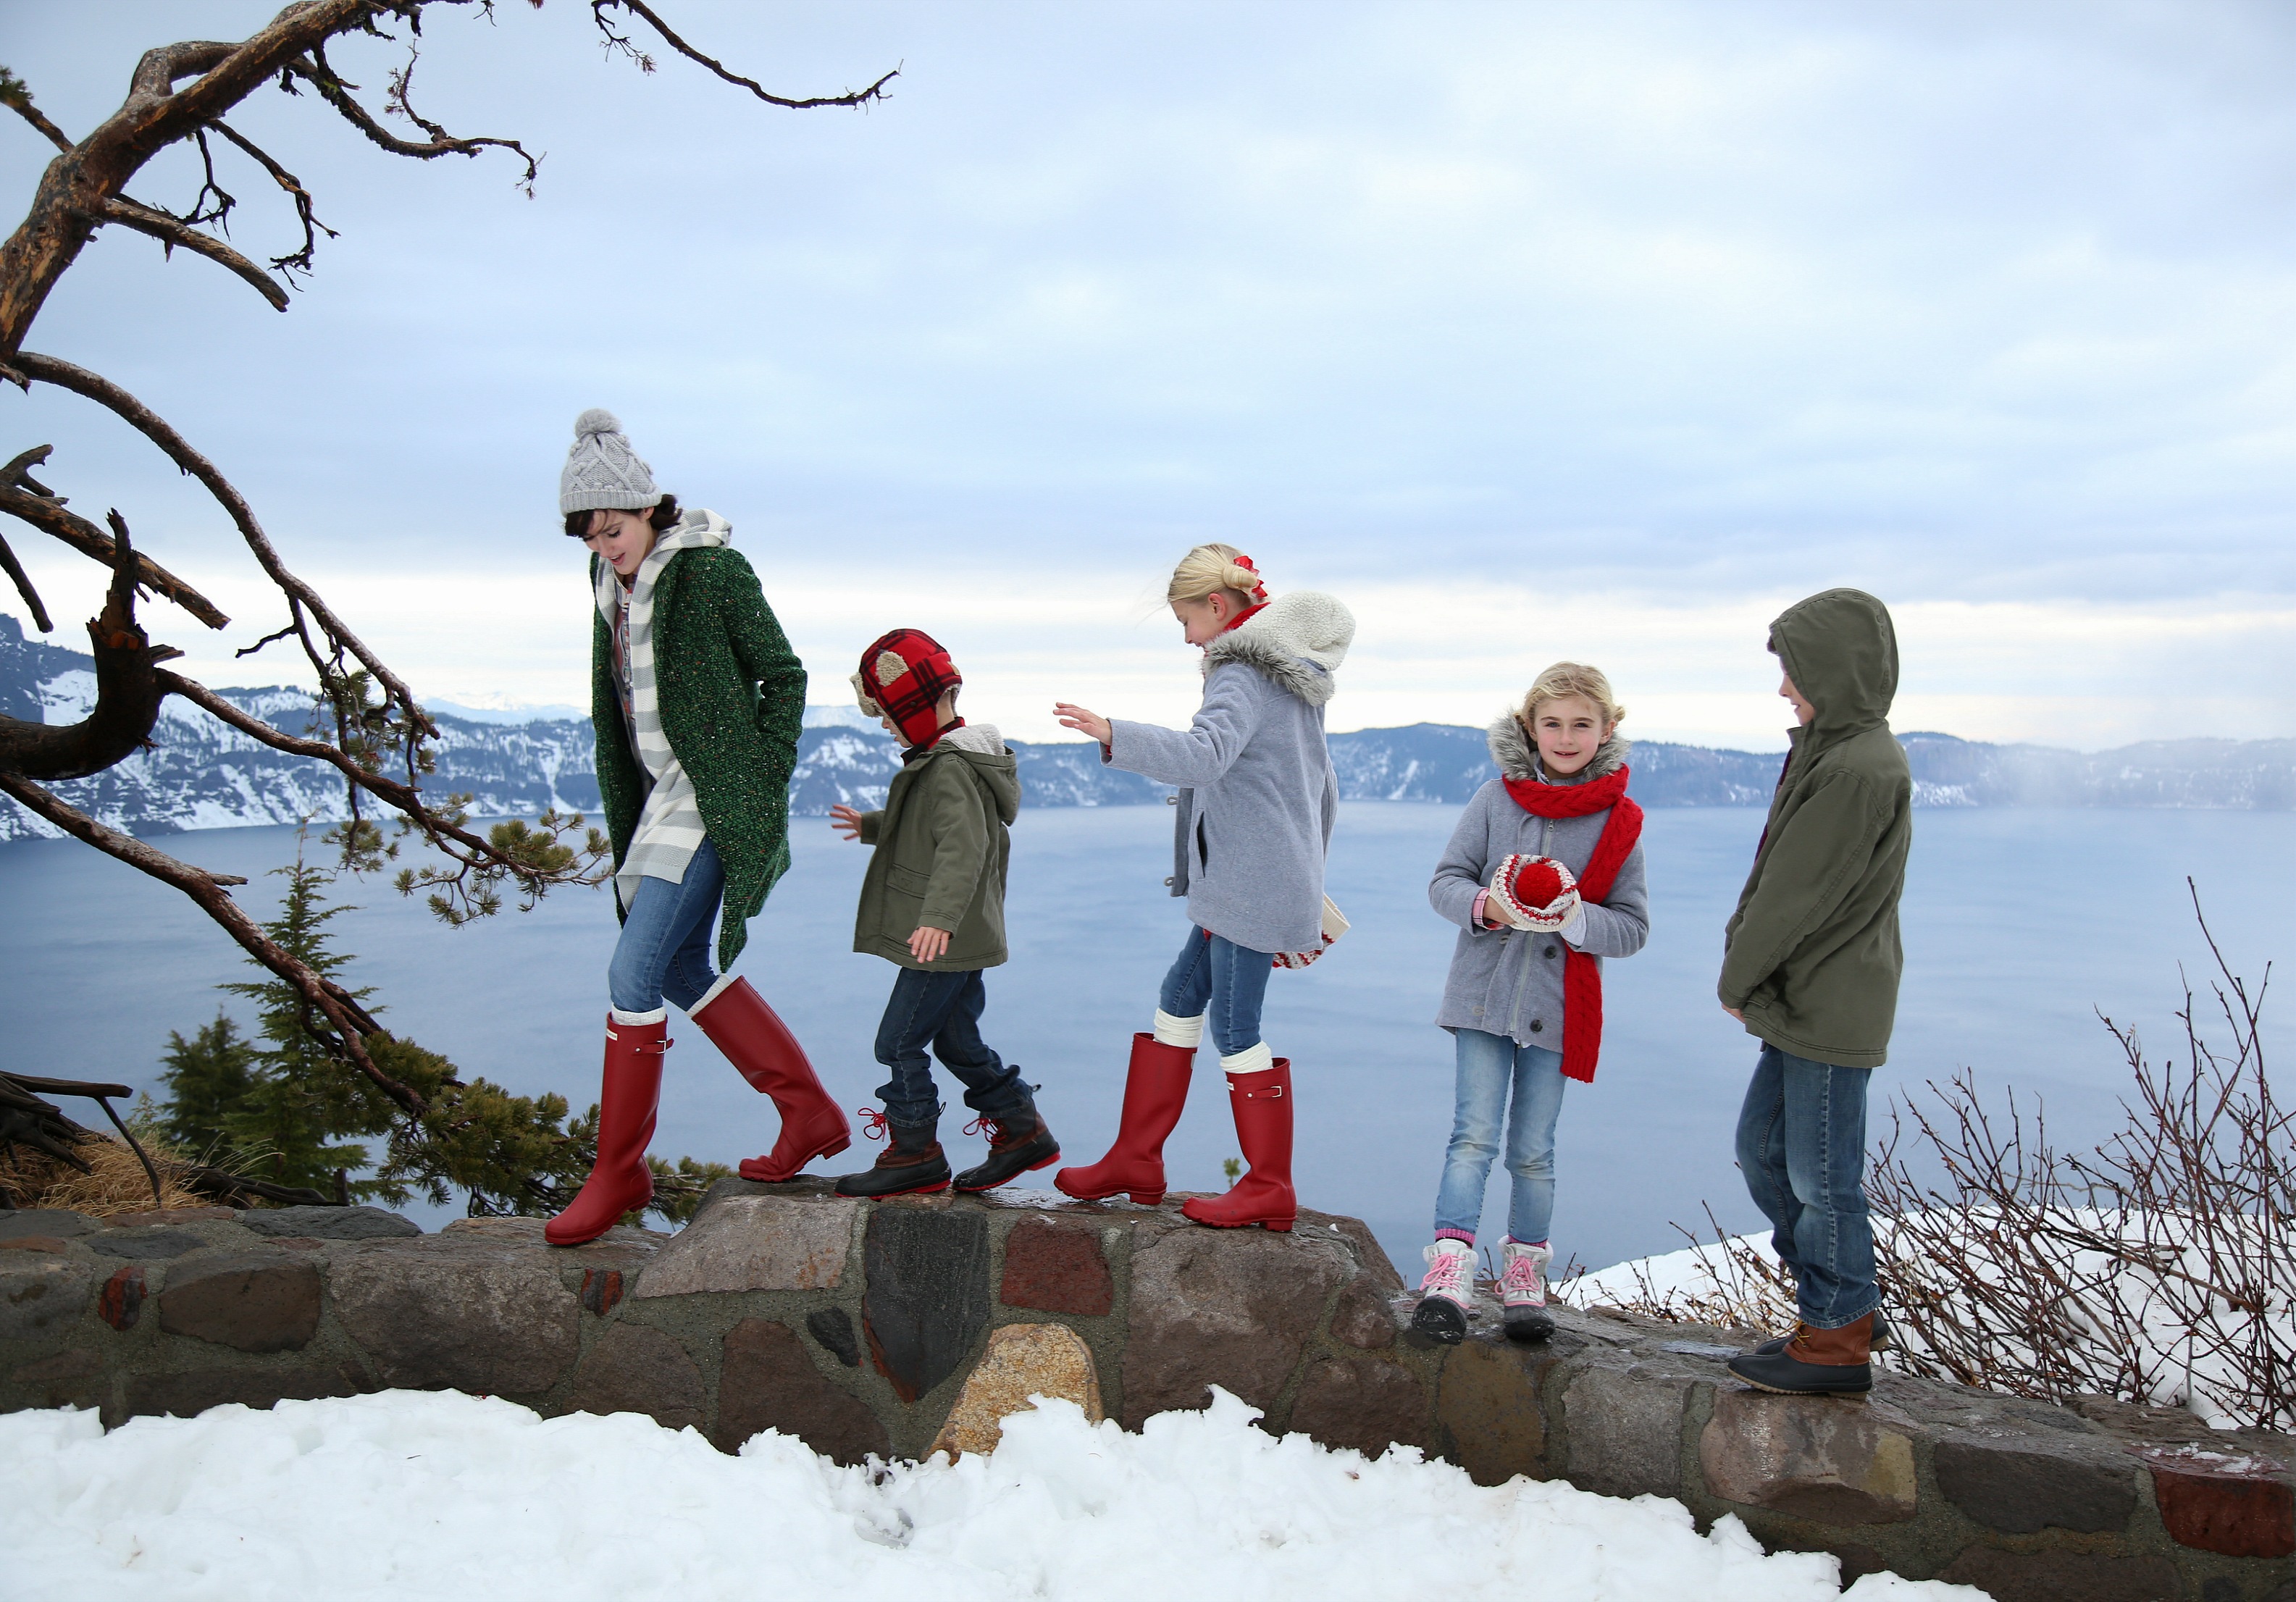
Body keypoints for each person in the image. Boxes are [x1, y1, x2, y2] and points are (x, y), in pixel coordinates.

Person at [544, 409, 847, 1247]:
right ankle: (809, 1113)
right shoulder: (610, 583)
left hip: (712, 794)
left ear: (649, 509)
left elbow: (782, 675)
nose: (605, 547)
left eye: (614, 529)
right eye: (591, 538)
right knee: (677, 963)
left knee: (632, 972)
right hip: (658, 796)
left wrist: (762, 770)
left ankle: (619, 1170)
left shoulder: (712, 570)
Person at [1050, 545, 1352, 1232]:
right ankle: (1137, 1158)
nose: (1187, 637)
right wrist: (1306, 878)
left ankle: (1270, 1184)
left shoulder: (1240, 673)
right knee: (1178, 997)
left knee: (1235, 1027)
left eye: (1186, 620)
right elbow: (1324, 788)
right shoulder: (1293, 679)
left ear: (1218, 608)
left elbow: (1202, 756)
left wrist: (1112, 733)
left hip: (1248, 886)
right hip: (1251, 880)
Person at [1413, 664, 1649, 1343]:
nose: (1567, 737)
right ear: (1530, 728)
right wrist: (1489, 905)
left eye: (1582, 724)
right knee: (1473, 1136)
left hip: (1558, 1006)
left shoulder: (1620, 822)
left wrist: (1576, 921)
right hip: (1482, 1001)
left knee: (1534, 1152)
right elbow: (1444, 883)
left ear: (1607, 730)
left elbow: (1631, 927)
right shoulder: (1495, 800)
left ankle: (1525, 1276)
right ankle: (1450, 1270)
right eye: (1553, 723)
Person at [1719, 589, 1912, 1395]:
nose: (1782, 689)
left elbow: (1794, 892)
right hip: (1809, 999)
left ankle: (1837, 1335)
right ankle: (1837, 1307)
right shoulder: (1835, 752)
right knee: (1761, 1152)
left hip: (1830, 1003)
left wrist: (1737, 978)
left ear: (1831, 671)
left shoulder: (1857, 767)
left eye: (1793, 671)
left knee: (1819, 1177)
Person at [827, 629, 1055, 1196]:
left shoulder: (950, 765)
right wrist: (873, 826)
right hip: (959, 936)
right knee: (956, 1043)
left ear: (912, 704)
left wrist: (939, 919)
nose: (883, 725)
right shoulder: (951, 758)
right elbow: (933, 823)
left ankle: (914, 1152)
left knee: (898, 1043)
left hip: (943, 939)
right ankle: (1022, 1130)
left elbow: (963, 846)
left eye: (886, 713)